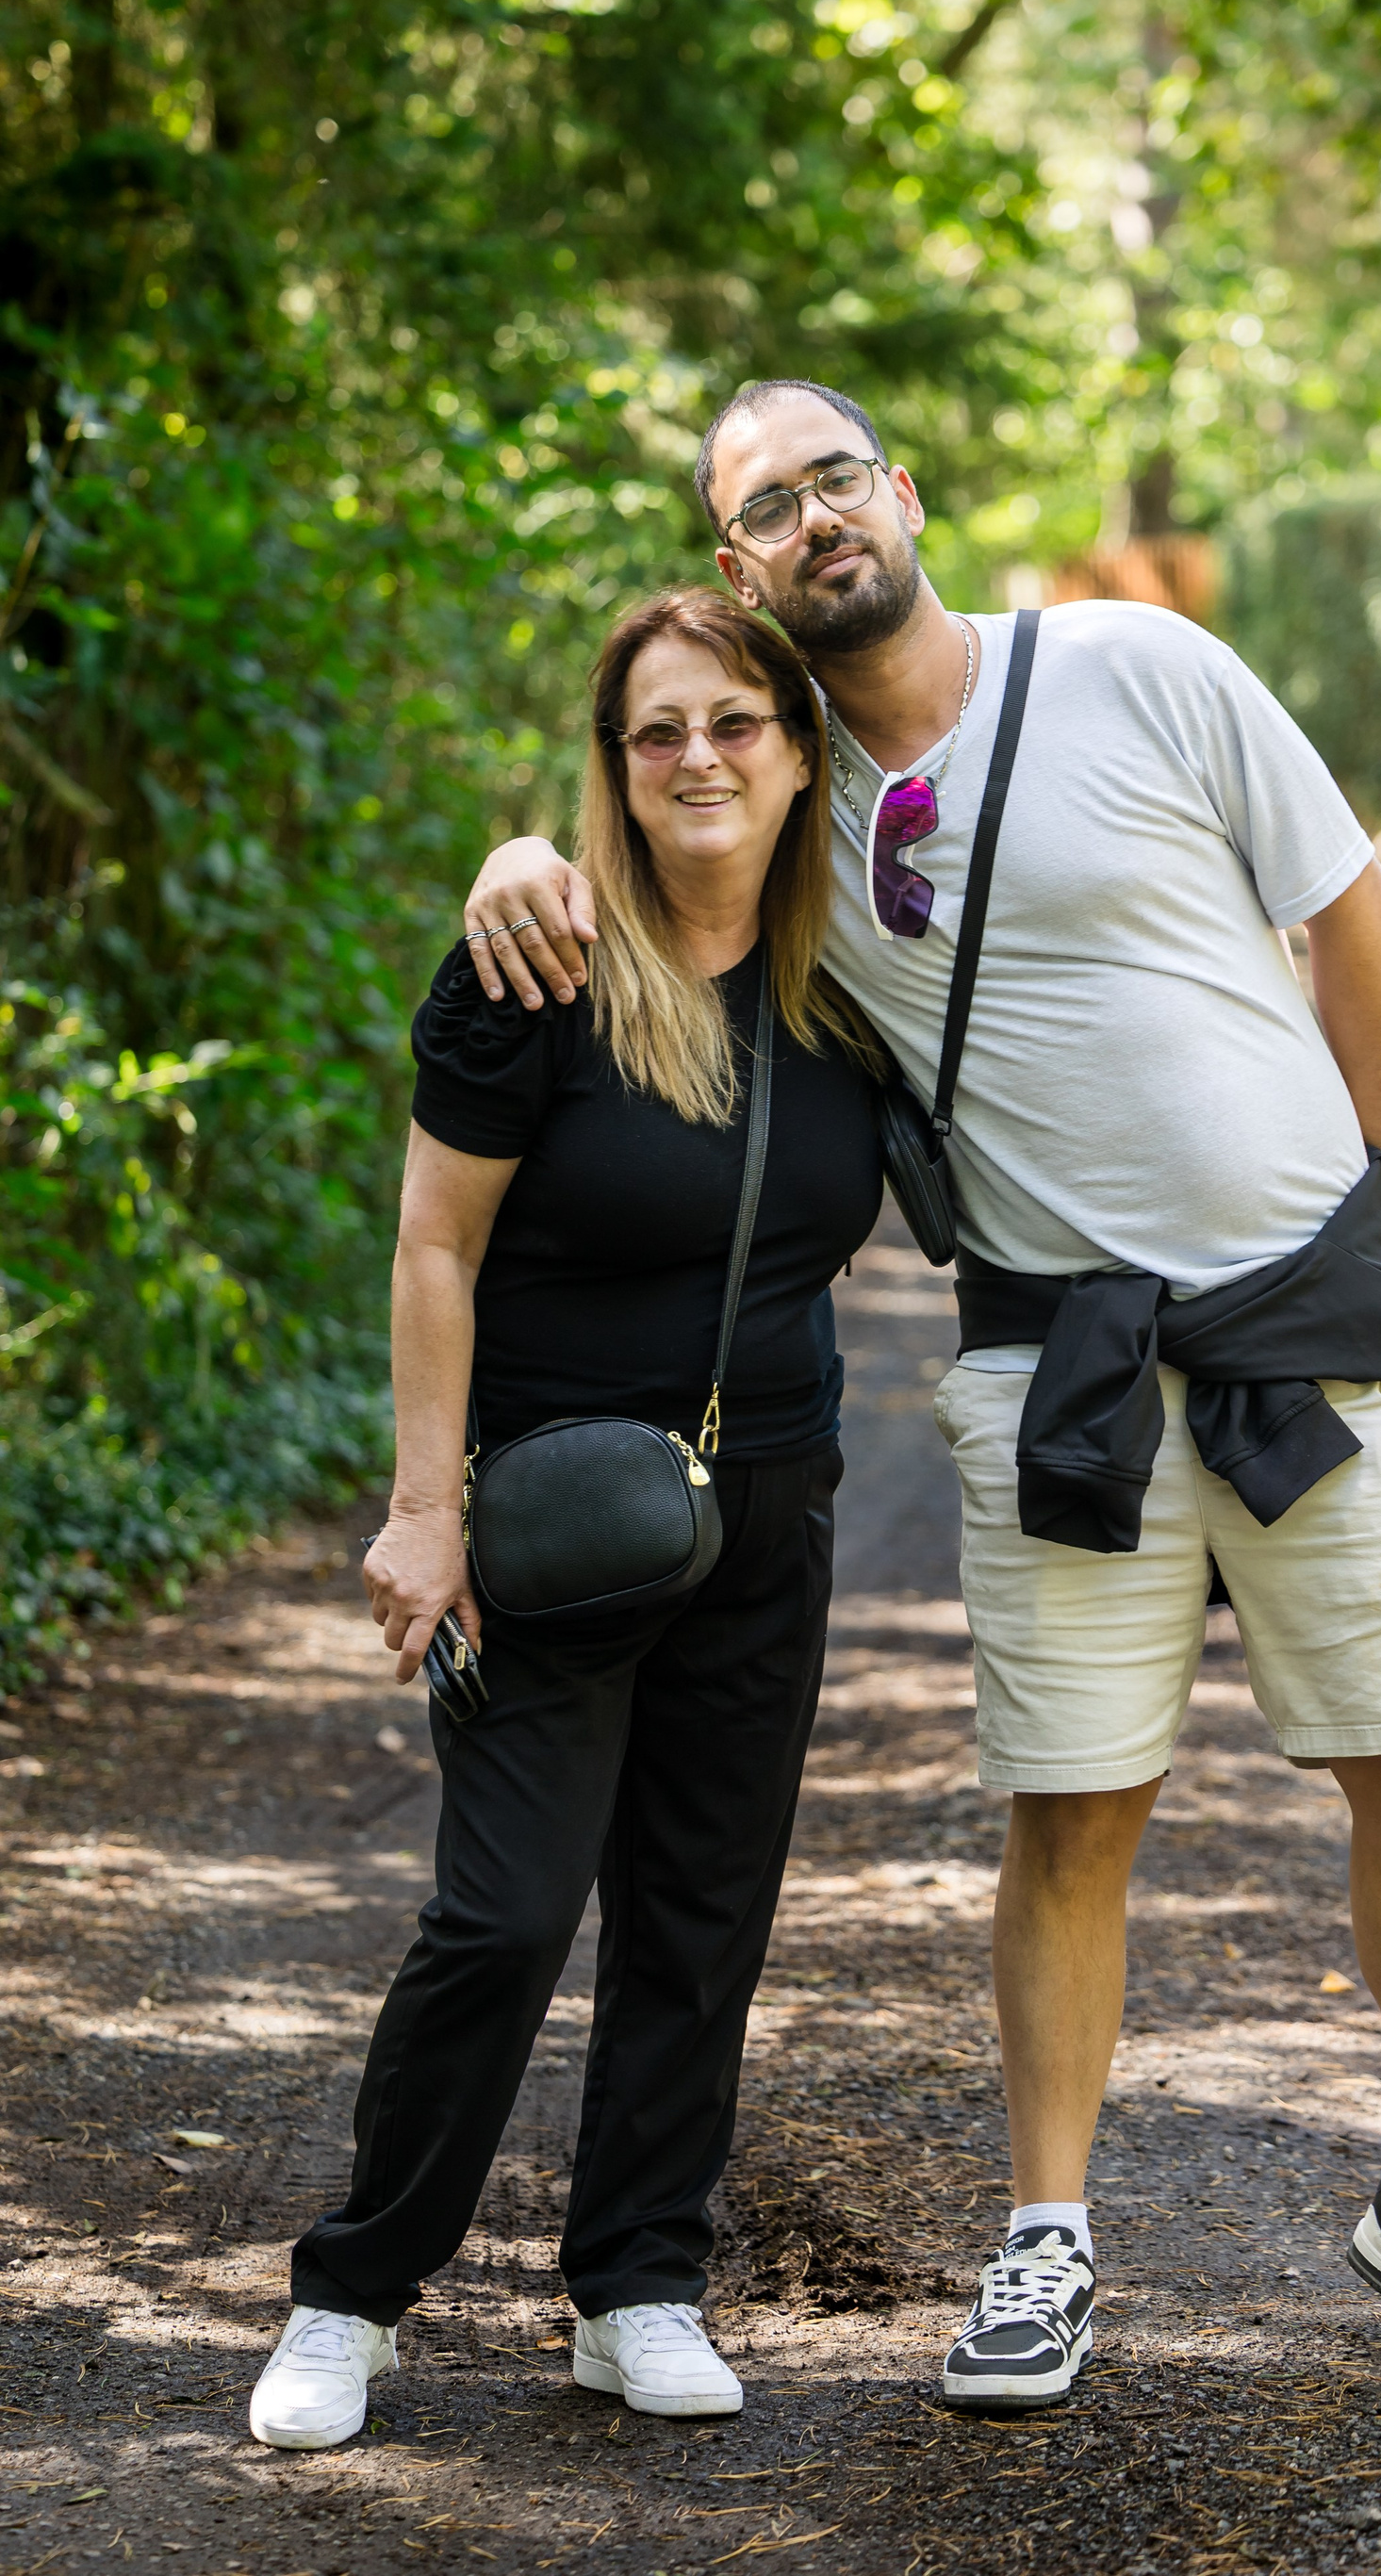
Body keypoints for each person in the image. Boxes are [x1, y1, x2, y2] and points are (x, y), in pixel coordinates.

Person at [455, 378, 1381, 2405]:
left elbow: (1342, 899)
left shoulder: (1140, 666)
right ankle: (1046, 2242)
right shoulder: (789, 805)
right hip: (1061, 1368)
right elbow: (647, 864)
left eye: (835, 479)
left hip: (1311, 1320)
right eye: (765, 508)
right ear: (738, 567)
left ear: (904, 490)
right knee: (1072, 1812)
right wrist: (518, 853)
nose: (813, 521)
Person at [247, 588, 883, 2450]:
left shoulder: (857, 981)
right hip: (556, 1519)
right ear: (614, 766)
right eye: (657, 729)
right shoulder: (536, 963)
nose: (699, 757)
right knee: (503, 1917)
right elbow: (434, 1246)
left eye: (735, 722)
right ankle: (351, 2294)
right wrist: (421, 1513)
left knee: (701, 1915)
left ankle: (637, 2285)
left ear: (799, 752)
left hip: (769, 1511)